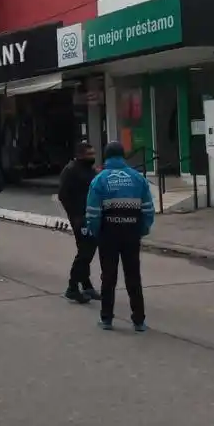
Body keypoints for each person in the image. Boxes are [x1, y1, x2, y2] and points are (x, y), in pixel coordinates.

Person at [86, 142, 154, 332]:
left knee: (108, 276)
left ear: (106, 157)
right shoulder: (137, 179)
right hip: (131, 232)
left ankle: (107, 318)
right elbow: (148, 208)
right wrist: (143, 228)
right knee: (133, 276)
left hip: (108, 234)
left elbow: (92, 212)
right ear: (123, 156)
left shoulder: (100, 180)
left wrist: (96, 230)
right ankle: (139, 321)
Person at [59, 142, 101, 303]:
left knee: (87, 252)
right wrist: (76, 215)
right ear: (80, 155)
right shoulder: (71, 170)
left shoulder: (90, 170)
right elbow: (63, 195)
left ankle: (87, 285)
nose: (92, 157)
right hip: (80, 218)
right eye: (89, 154)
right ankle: (72, 287)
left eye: (93, 154)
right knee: (85, 252)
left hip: (91, 216)